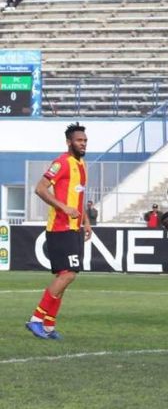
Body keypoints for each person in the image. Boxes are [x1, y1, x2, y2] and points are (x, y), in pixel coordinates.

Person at [25, 123, 91, 340]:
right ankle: (36, 319)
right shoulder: (61, 163)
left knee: (66, 276)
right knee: (68, 274)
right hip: (60, 227)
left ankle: (49, 326)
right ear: (69, 142)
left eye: (85, 140)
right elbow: (40, 188)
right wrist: (62, 207)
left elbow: (79, 197)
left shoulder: (82, 165)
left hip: (75, 228)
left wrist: (87, 222)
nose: (83, 144)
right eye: (79, 140)